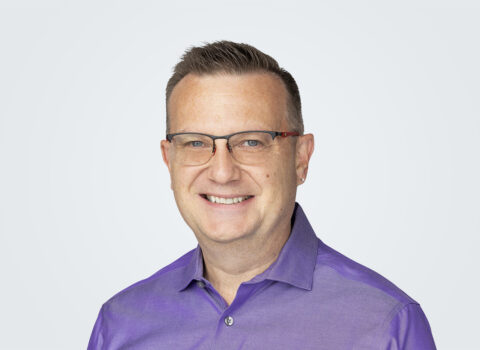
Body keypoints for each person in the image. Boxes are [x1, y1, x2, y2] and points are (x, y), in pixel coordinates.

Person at [87, 41, 436, 349]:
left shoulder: (385, 325)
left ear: (301, 158)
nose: (222, 172)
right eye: (195, 142)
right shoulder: (120, 326)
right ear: (169, 159)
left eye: (251, 141)